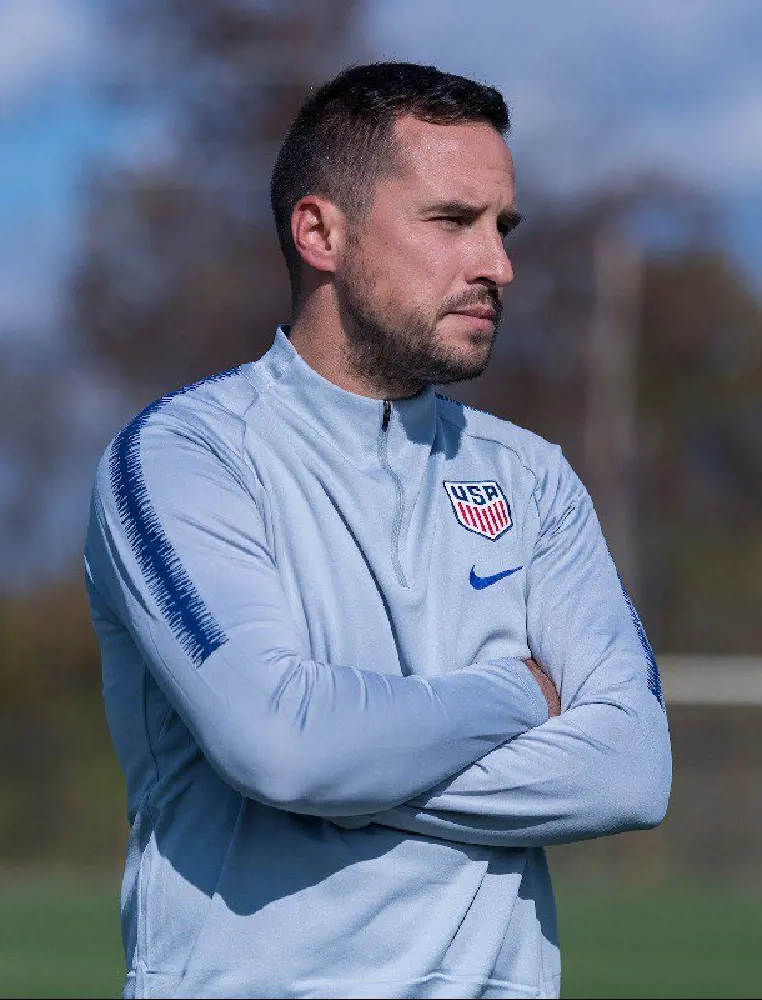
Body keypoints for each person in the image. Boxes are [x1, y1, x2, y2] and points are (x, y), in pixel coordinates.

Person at [84, 61, 671, 1000]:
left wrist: (338, 772)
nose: (497, 264)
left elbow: (630, 772)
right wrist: (516, 695)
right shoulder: (181, 458)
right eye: (451, 222)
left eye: (502, 227)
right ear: (320, 231)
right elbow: (283, 748)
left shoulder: (533, 478)